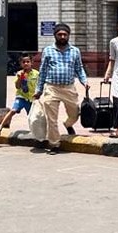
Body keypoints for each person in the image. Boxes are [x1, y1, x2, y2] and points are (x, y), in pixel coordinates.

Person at [33, 22, 89, 154]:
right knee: (52, 119)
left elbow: (79, 68)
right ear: (55, 36)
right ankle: (54, 144)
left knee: (74, 114)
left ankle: (68, 124)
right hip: (51, 88)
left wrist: (84, 81)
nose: (62, 36)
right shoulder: (48, 51)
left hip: (69, 88)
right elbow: (43, 71)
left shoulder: (75, 51)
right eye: (60, 34)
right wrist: (38, 90)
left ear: (69, 35)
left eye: (65, 34)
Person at [0, 54, 39, 135]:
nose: (26, 63)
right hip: (21, 97)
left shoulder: (36, 74)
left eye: (28, 61)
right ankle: (0, 127)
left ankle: (34, 131)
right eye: (23, 62)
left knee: (32, 116)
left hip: (31, 99)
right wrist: (19, 79)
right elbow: (17, 86)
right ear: (21, 64)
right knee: (13, 110)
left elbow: (39, 85)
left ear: (31, 63)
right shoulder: (20, 73)